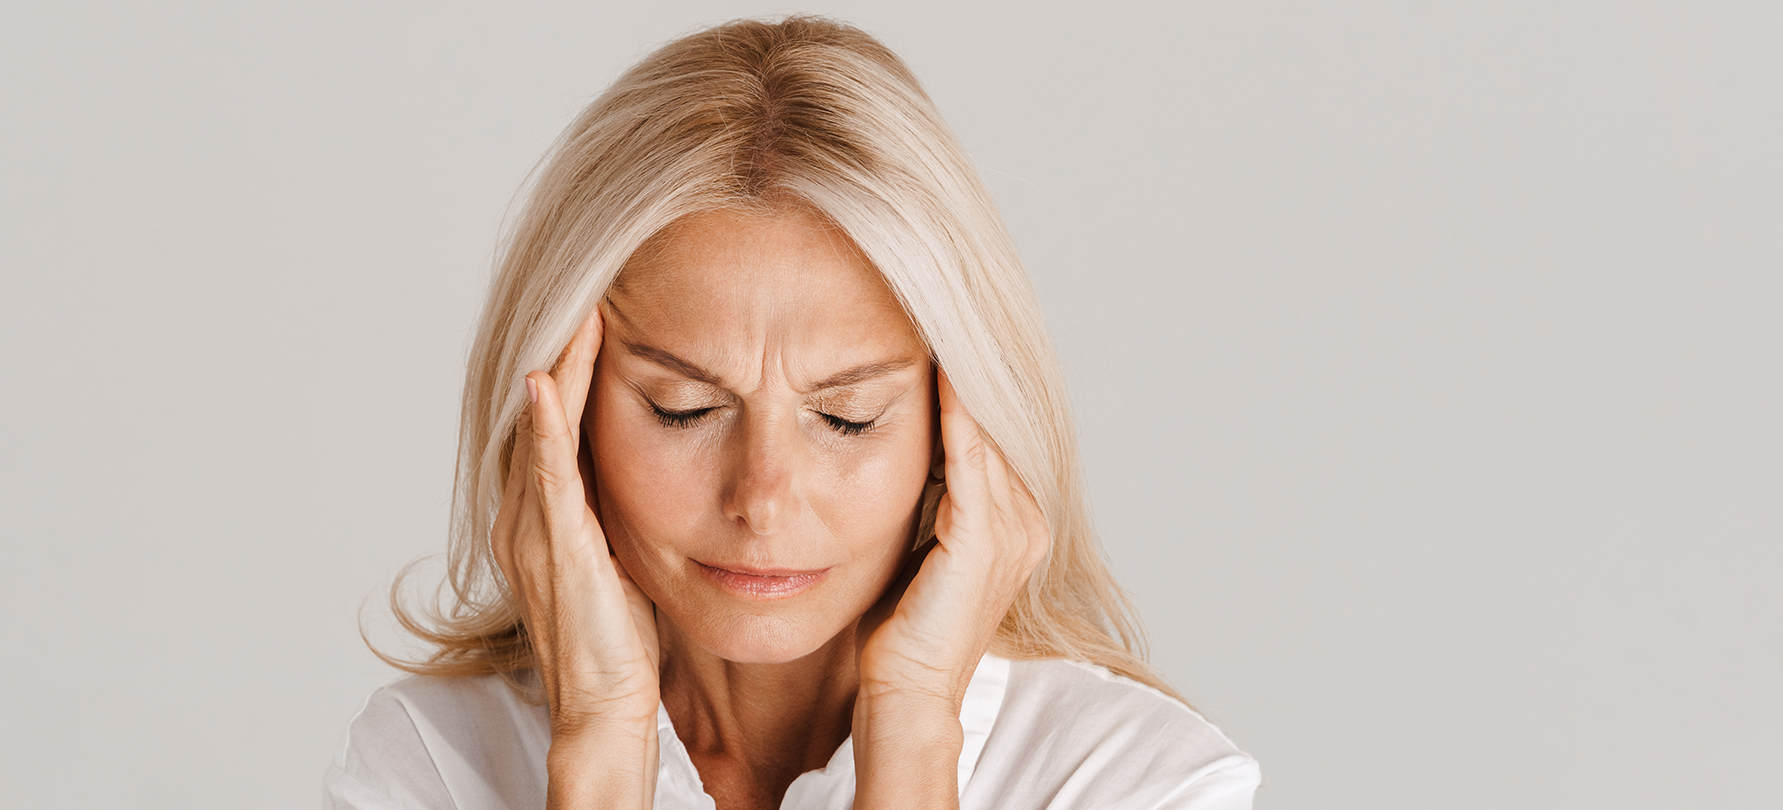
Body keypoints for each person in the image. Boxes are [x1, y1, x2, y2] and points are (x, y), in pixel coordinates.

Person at [327, 16, 1258, 810]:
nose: (762, 498)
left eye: (847, 418)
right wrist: (603, 739)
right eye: (683, 409)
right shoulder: (431, 766)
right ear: (562, 426)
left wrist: (914, 733)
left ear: (956, 428)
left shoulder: (1137, 783)